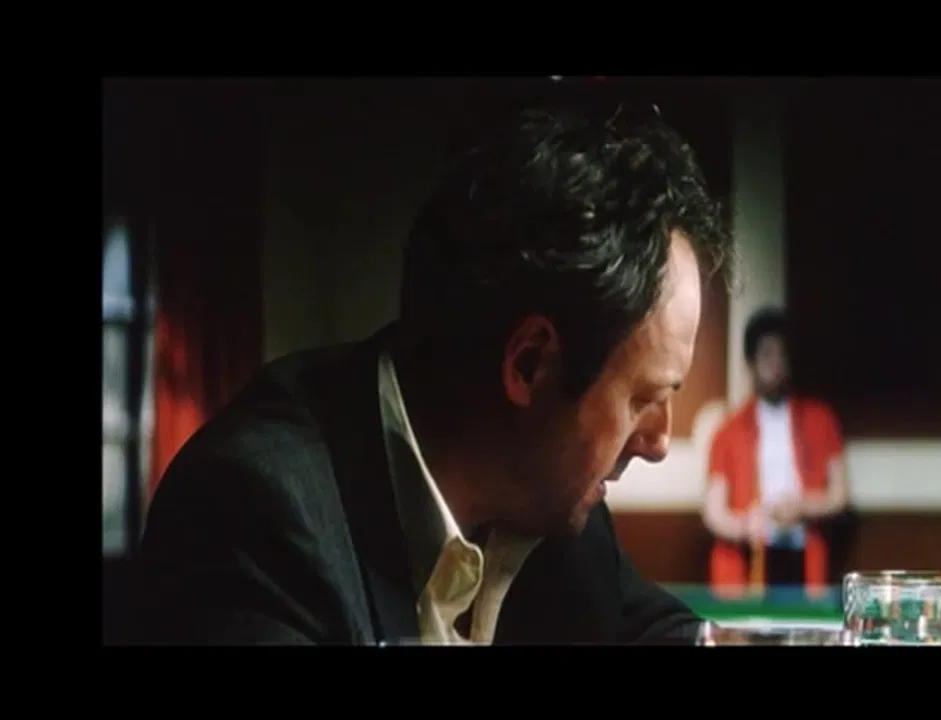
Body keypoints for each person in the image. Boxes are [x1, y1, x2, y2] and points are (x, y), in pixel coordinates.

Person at [137, 103, 734, 645]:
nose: (658, 441)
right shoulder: (253, 513)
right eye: (644, 398)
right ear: (531, 365)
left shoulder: (549, 502)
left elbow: (658, 631)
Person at [700, 308, 848, 597]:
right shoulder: (727, 431)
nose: (775, 364)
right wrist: (746, 526)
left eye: (782, 355)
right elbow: (713, 512)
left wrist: (802, 507)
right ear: (750, 361)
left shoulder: (821, 419)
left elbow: (839, 495)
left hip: (804, 561)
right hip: (747, 564)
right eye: (767, 354)